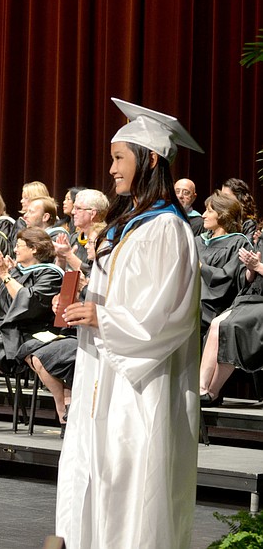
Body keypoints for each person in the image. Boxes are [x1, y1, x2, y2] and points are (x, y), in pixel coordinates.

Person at [56, 97, 204, 549]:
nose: (112, 169)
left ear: (150, 158)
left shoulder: (167, 229)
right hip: (106, 373)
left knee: (133, 483)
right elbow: (121, 297)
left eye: (119, 158)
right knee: (98, 476)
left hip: (143, 384)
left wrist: (103, 315)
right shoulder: (131, 226)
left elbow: (168, 316)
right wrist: (82, 305)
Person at [17, 221, 105, 438]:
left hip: (97, 340)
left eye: (93, 242)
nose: (88, 246)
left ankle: (64, 408)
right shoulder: (87, 273)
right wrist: (60, 302)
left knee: (41, 355)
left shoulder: (105, 275)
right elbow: (67, 306)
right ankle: (64, 404)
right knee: (31, 349)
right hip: (74, 333)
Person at [0, 227, 63, 395]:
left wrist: (5, 275)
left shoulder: (51, 275)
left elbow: (28, 301)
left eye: (19, 245)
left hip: (28, 333)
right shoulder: (16, 273)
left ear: (34, 248)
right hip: (5, 330)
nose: (15, 249)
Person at [199, 239, 263, 406]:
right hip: (252, 297)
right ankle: (201, 388)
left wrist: (258, 266)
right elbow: (249, 279)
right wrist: (250, 269)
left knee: (229, 326)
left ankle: (213, 391)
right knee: (216, 324)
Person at [196, 190, 251, 337]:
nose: (203, 215)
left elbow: (229, 278)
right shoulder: (197, 241)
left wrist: (201, 268)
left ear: (222, 213)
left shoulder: (239, 243)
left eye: (209, 211)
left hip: (215, 310)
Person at [53, 188, 109, 275]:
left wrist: (68, 255)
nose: (73, 212)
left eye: (78, 208)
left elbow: (96, 274)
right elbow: (58, 277)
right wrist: (61, 259)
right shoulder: (73, 238)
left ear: (93, 213)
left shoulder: (105, 240)